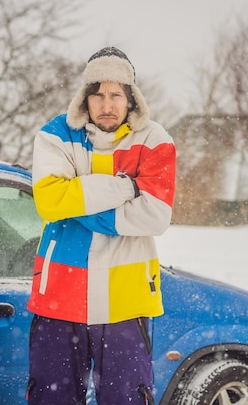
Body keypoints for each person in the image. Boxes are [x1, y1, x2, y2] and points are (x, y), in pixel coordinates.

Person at [26, 46, 176, 405]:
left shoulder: (155, 140)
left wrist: (73, 199)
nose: (107, 104)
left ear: (131, 99)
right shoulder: (56, 133)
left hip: (125, 302)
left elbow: (155, 215)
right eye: (98, 94)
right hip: (59, 298)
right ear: (85, 98)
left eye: (116, 95)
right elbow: (48, 201)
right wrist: (126, 187)